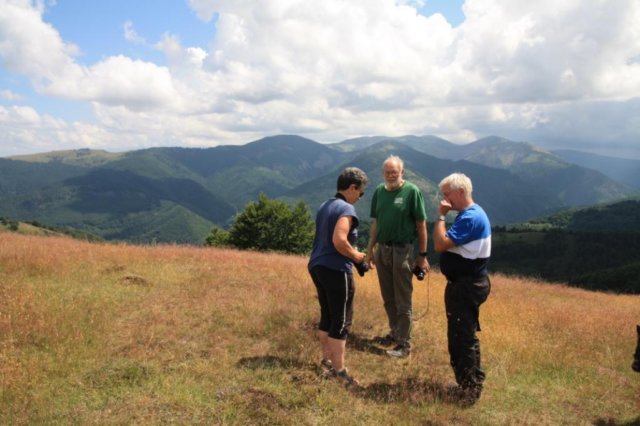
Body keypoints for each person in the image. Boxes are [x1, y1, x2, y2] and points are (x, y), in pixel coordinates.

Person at [433, 172, 491, 404]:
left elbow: (440, 244)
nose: (444, 199)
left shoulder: (470, 218)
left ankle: (469, 390)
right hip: (468, 284)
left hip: (466, 286)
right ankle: (468, 383)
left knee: (461, 338)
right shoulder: (472, 214)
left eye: (447, 194)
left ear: (461, 192)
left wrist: (440, 216)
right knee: (463, 335)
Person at [308, 167, 369, 387]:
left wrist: (355, 258)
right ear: (352, 187)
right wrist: (357, 257)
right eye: (361, 192)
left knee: (327, 316)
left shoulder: (326, 205)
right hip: (336, 268)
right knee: (341, 321)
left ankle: (326, 362)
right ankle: (340, 372)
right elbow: (339, 240)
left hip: (317, 265)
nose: (360, 197)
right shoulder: (347, 209)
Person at [366, 155, 429, 358]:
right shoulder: (379, 191)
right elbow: (375, 223)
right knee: (388, 297)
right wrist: (370, 250)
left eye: (394, 172)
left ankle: (404, 345)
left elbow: (421, 225)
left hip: (403, 250)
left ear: (402, 172)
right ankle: (395, 333)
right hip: (382, 249)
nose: (391, 175)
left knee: (403, 300)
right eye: (387, 172)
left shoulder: (412, 191)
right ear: (383, 173)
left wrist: (422, 255)